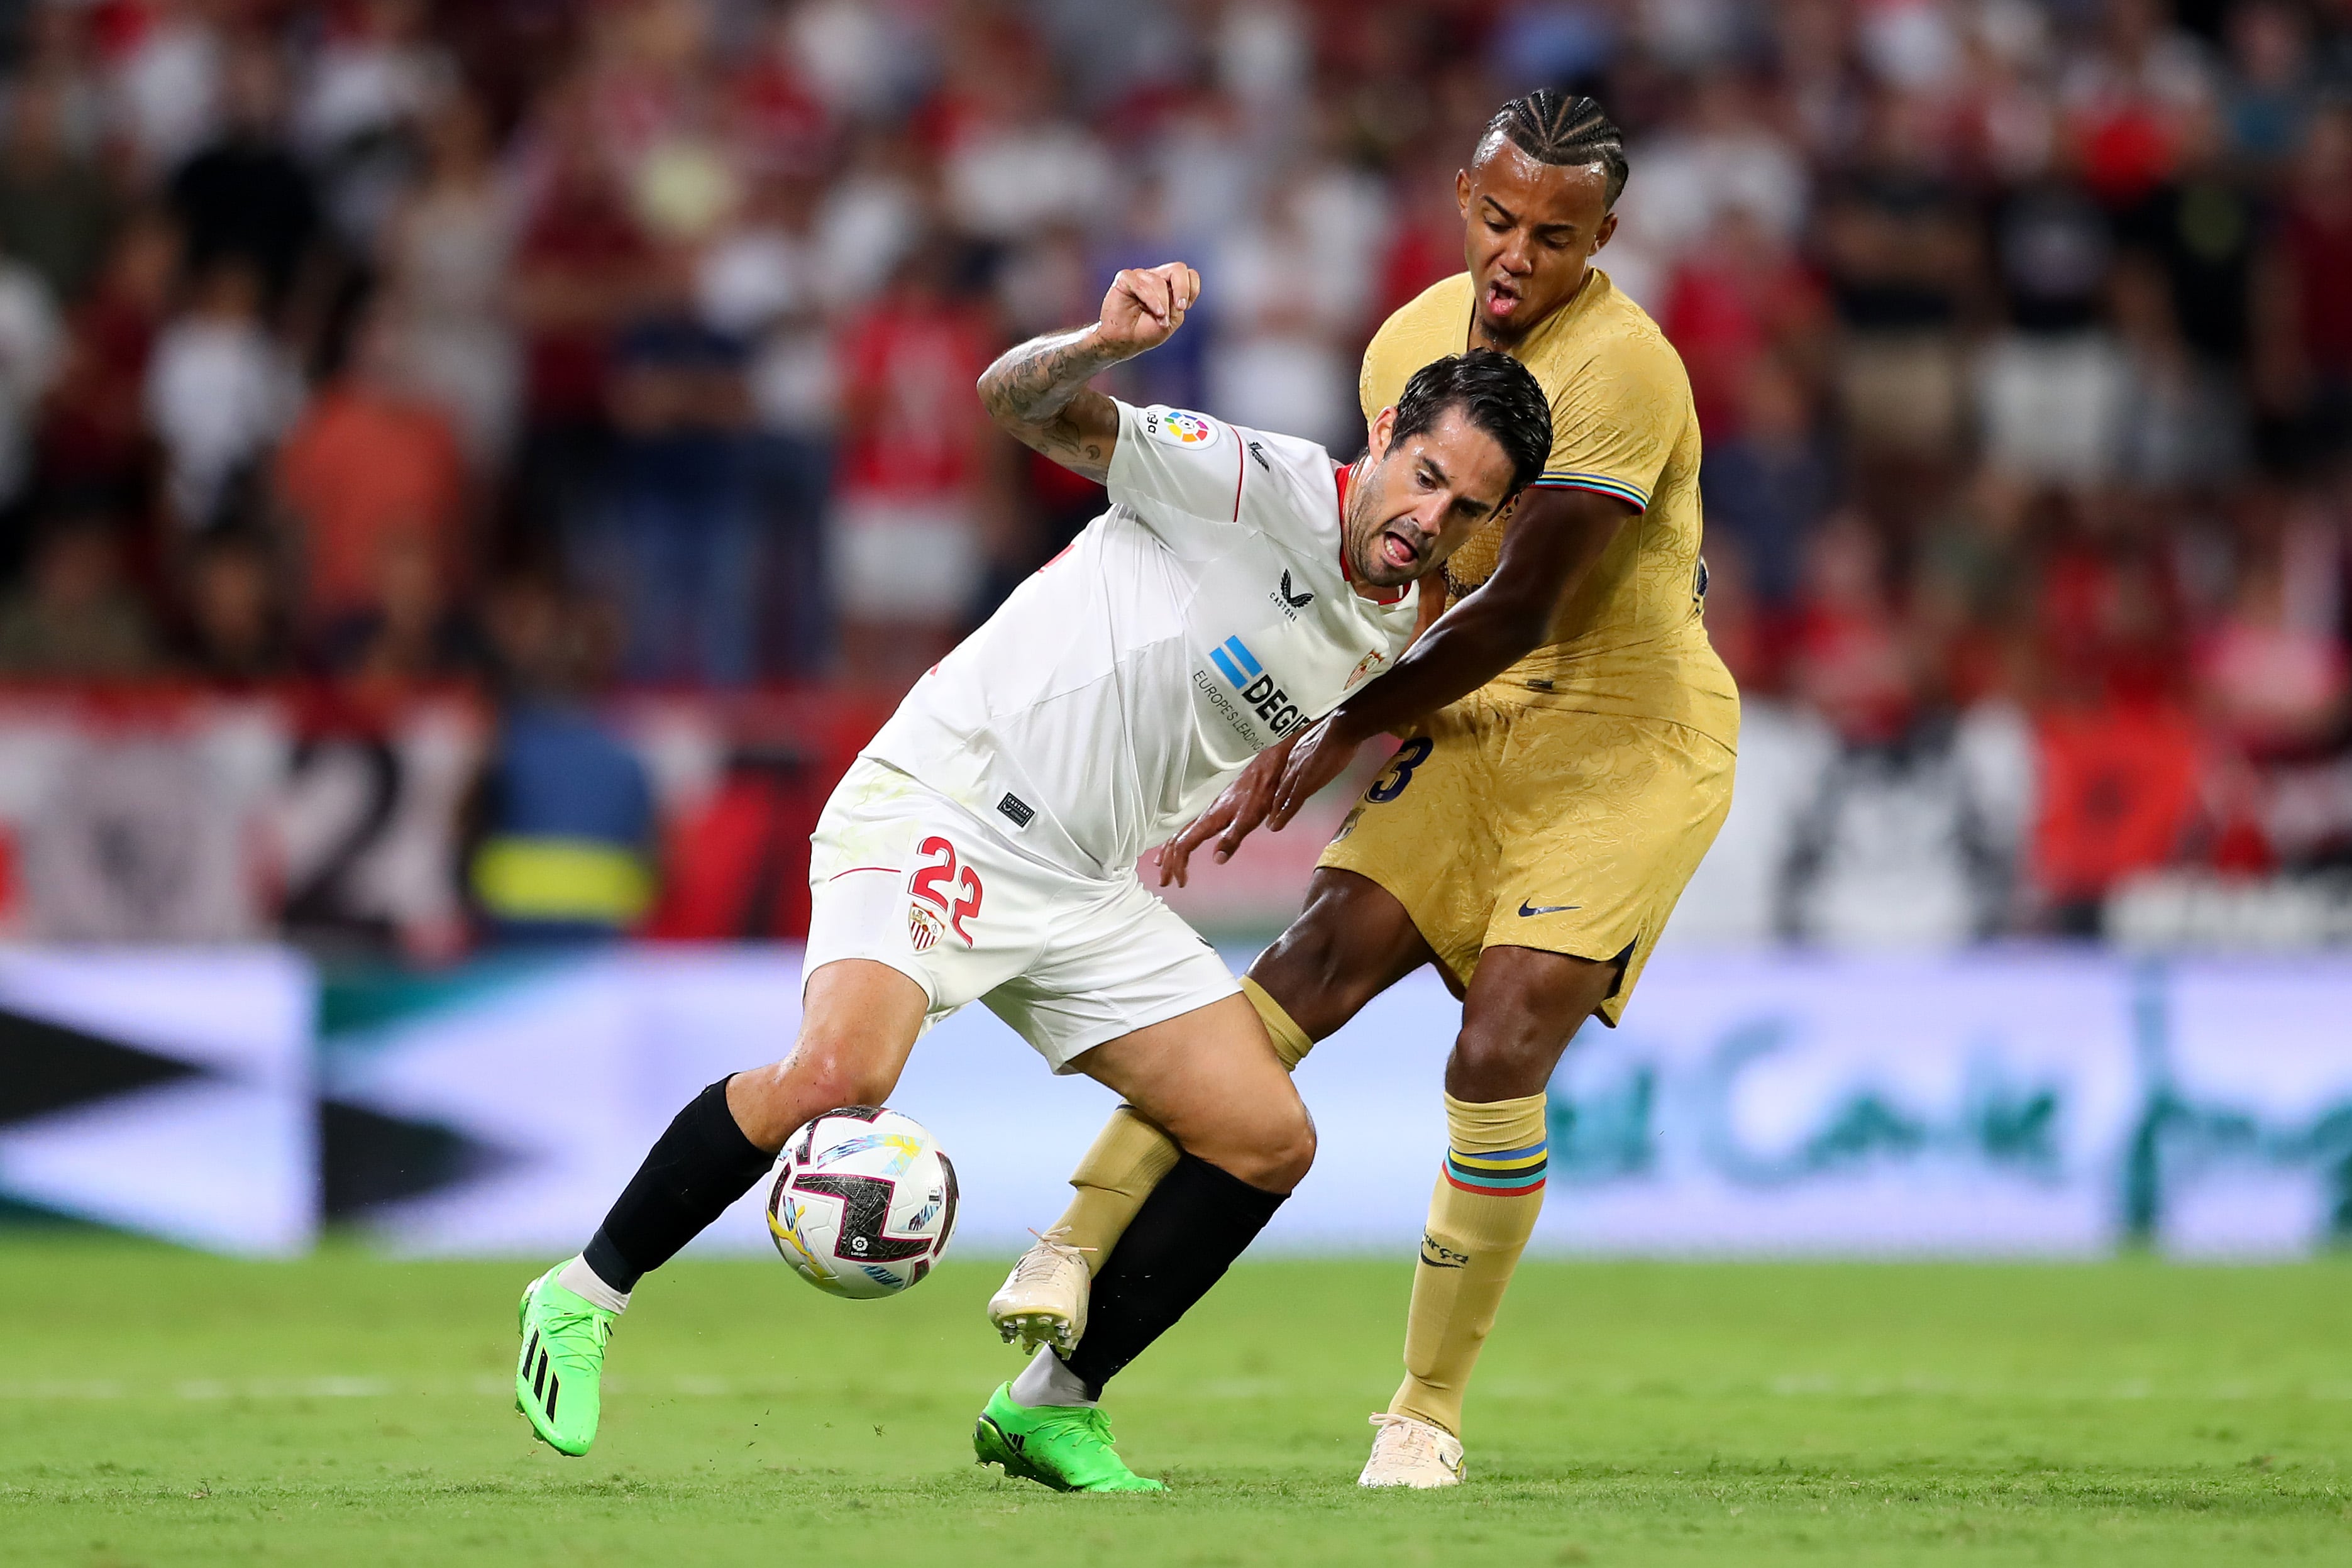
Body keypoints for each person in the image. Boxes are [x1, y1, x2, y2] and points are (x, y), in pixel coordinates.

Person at [509, 261, 1552, 1491]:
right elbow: (1015, 403)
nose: (1430, 519)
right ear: (1381, 438)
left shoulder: (1396, 610)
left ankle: (1050, 1403)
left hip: (1080, 885)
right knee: (843, 1071)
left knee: (1265, 1137)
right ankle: (581, 1293)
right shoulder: (1249, 480)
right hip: (948, 796)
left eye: (1469, 510)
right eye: (1425, 477)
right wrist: (1094, 344)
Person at [989, 91, 1742, 1489]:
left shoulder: (1623, 374)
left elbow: (1516, 604)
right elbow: (1398, 567)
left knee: (1502, 1035)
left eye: (1556, 239)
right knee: (1307, 962)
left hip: (1624, 733)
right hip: (1460, 709)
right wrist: (1267, 712)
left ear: (1604, 240)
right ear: (1464, 194)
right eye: (1499, 220)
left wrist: (1334, 727)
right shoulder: (1406, 343)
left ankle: (1423, 1408)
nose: (1518, 257)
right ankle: (1071, 1244)